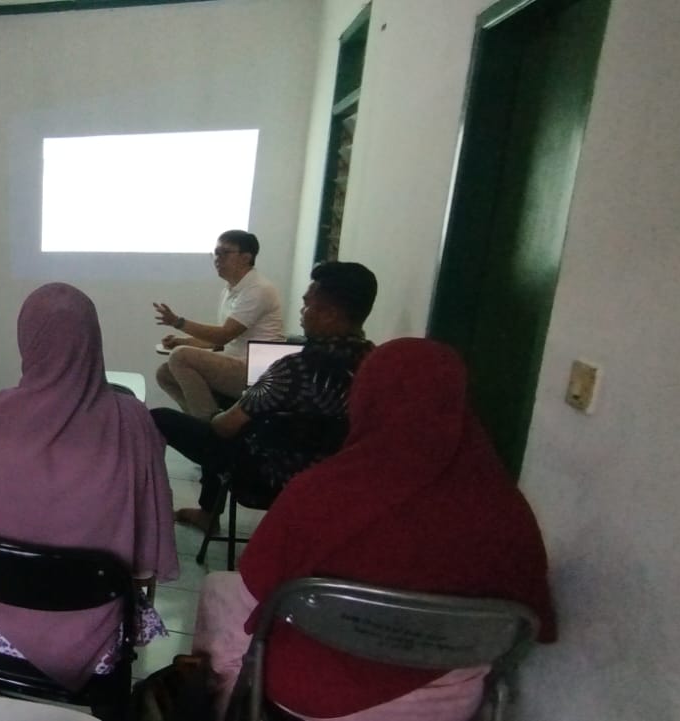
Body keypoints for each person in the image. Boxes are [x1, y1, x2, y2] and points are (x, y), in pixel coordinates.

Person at [193, 339, 558, 721]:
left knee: (221, 590)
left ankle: (224, 709)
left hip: (311, 694)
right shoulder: (507, 509)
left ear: (365, 400)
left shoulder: (320, 493)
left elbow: (256, 590)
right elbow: (529, 619)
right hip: (446, 704)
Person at [0, 283, 179, 694]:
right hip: (95, 647)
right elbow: (145, 564)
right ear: (93, 340)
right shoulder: (133, 423)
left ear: (27, 339)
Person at [154, 261, 378, 532]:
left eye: (307, 305)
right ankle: (207, 511)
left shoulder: (292, 368)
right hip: (333, 476)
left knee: (159, 418)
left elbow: (225, 428)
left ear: (330, 314)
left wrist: (213, 417)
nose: (301, 312)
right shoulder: (374, 364)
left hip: (264, 474)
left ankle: (150, 512)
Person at [153, 229, 285, 417]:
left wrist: (178, 322)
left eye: (225, 253)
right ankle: (199, 418)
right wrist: (182, 341)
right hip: (237, 362)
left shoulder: (258, 289)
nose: (217, 259)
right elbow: (220, 342)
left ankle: (210, 423)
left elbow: (224, 335)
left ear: (246, 258)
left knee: (180, 356)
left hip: (260, 370)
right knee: (165, 373)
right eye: (216, 253)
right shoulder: (230, 290)